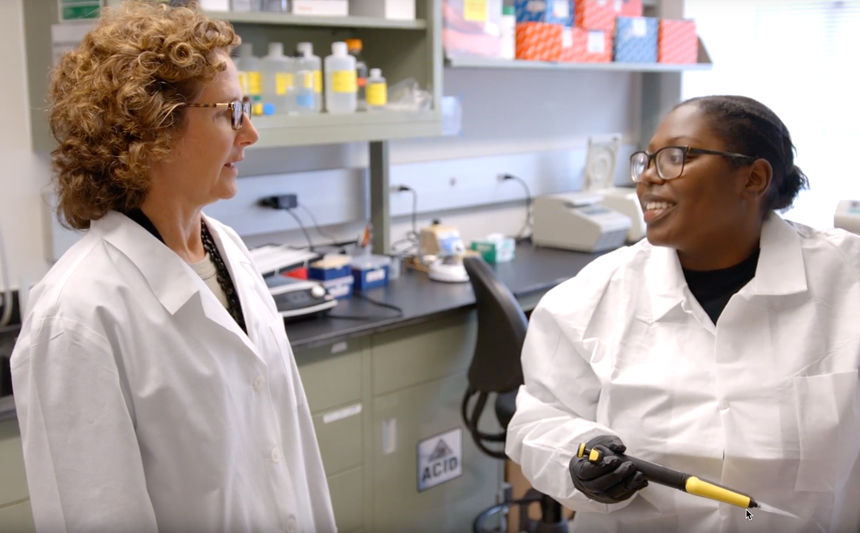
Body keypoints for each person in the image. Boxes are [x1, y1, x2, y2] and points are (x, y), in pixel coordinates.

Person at [10, 2, 337, 532]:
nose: (250, 133)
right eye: (229, 112)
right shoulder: (76, 318)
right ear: (153, 130)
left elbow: (289, 449)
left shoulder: (228, 248)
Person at [506, 95, 860, 532]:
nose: (648, 178)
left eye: (676, 158)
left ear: (753, 178)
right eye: (647, 160)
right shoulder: (589, 298)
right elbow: (538, 418)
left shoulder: (849, 285)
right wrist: (577, 457)